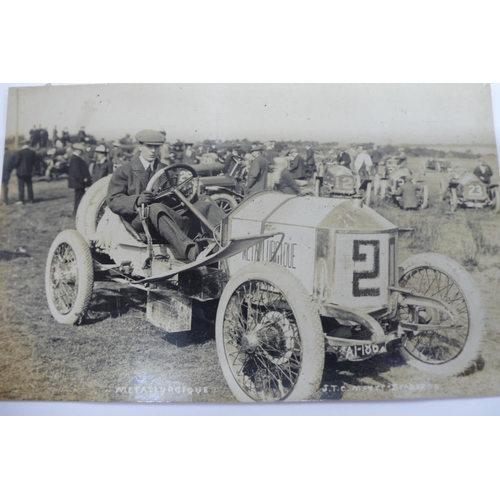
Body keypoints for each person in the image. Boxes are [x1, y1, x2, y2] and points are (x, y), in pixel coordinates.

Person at [107, 129, 225, 262]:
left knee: (205, 201)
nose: (153, 151)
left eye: (156, 147)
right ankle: (190, 250)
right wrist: (137, 200)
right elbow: (113, 200)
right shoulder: (124, 170)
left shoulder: (165, 169)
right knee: (155, 208)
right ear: (140, 147)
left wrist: (183, 194)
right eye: (149, 146)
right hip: (139, 219)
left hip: (167, 214)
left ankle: (228, 237)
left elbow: (174, 194)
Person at [69, 143, 92, 216]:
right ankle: (76, 213)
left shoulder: (75, 158)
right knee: (79, 198)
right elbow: (77, 172)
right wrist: (82, 180)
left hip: (78, 182)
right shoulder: (75, 158)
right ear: (78, 150)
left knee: (78, 197)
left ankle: (76, 212)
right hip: (79, 182)